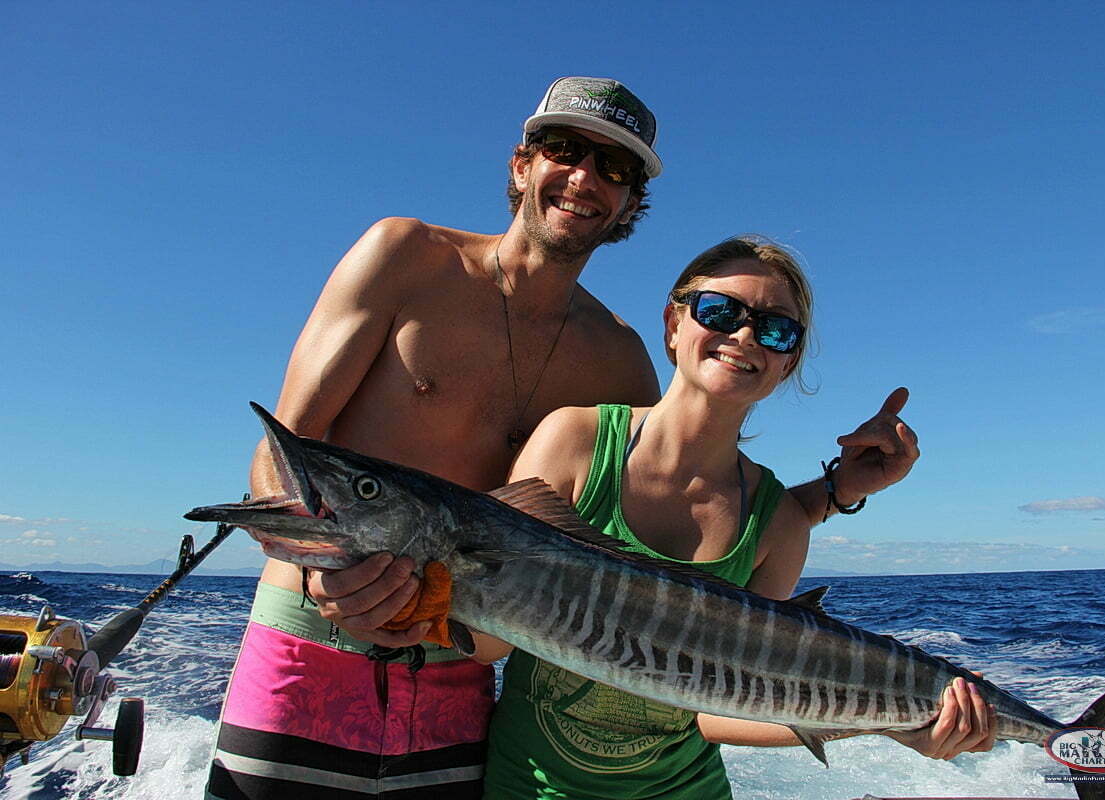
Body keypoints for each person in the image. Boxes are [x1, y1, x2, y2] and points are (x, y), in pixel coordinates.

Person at [206, 77, 922, 800]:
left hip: (459, 667)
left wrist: (833, 492)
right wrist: (321, 573)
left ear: (631, 204)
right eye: (564, 149)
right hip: (311, 638)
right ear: (523, 163)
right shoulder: (407, 257)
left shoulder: (617, 358)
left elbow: (665, 523)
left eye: (615, 167)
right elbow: (287, 450)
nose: (584, 177)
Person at [479, 237, 996, 799]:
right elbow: (490, 642)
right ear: (674, 324)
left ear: (786, 363)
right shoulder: (573, 442)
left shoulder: (778, 524)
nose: (745, 335)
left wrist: (895, 721)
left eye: (775, 330)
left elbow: (719, 713)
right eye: (721, 311)